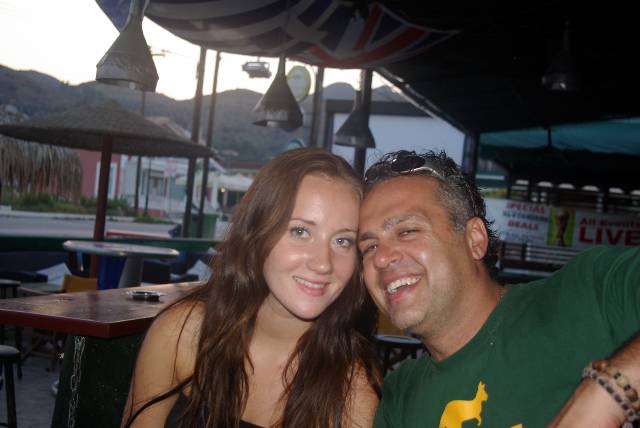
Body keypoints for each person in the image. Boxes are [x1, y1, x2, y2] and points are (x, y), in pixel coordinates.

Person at [357, 150, 640, 427]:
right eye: (369, 247)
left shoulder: (582, 294)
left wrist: (604, 397)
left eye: (407, 231)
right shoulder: (400, 398)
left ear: (475, 240)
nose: (381, 258)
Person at [122, 147, 380, 428]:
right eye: (300, 231)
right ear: (257, 233)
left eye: (343, 241)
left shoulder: (354, 389)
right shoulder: (182, 333)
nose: (323, 264)